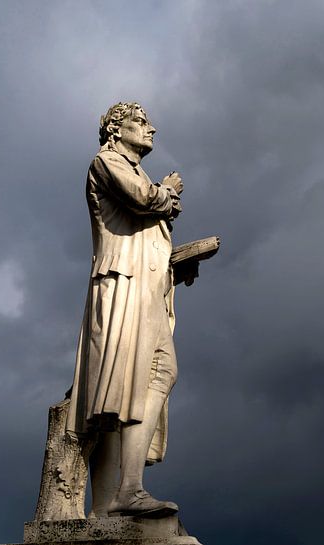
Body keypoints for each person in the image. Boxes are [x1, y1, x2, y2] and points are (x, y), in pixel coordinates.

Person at [66, 101, 194, 518]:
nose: (151, 128)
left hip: (148, 290)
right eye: (141, 122)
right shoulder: (106, 162)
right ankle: (121, 495)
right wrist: (169, 192)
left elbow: (147, 232)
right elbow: (144, 200)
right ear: (116, 130)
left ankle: (126, 490)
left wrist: (179, 263)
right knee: (125, 386)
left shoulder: (134, 170)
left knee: (153, 375)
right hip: (122, 286)